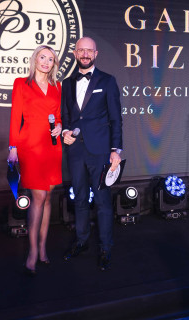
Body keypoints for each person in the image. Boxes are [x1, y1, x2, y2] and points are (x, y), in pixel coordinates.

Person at [61, 36, 123, 271]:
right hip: (75, 151)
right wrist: (65, 131)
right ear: (75, 53)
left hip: (100, 151)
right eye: (81, 50)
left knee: (102, 201)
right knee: (79, 199)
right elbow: (66, 116)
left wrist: (116, 150)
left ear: (96, 54)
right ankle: (81, 241)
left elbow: (116, 119)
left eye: (89, 51)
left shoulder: (107, 81)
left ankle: (106, 247)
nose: (85, 54)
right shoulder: (67, 84)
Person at [7, 45, 62, 275]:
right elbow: (15, 116)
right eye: (43, 57)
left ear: (54, 64)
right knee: (38, 197)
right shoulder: (21, 83)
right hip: (30, 146)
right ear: (35, 60)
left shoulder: (57, 86)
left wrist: (59, 126)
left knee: (48, 198)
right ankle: (31, 251)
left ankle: (42, 247)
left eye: (50, 59)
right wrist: (12, 147)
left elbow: (58, 116)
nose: (46, 62)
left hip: (52, 147)